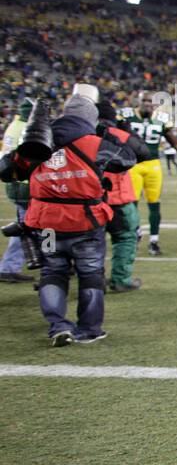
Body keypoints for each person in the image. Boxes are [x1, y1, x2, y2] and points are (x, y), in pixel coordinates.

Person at [0, 88, 136, 345]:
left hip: (47, 223)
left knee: (53, 272)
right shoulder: (93, 143)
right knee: (90, 274)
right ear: (90, 120)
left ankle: (58, 325)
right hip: (85, 222)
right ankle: (89, 329)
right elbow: (127, 159)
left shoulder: (38, 143)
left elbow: (6, 170)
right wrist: (107, 133)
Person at [96, 98, 152, 292]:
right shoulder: (118, 133)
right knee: (126, 237)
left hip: (89, 196)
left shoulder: (81, 134)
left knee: (93, 241)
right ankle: (120, 278)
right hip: (117, 196)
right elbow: (143, 152)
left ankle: (94, 279)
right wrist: (127, 131)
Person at [126, 98, 177, 256]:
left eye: (150, 104)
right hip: (133, 165)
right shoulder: (127, 117)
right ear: (138, 104)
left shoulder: (161, 119)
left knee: (154, 204)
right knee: (131, 204)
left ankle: (154, 241)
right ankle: (134, 234)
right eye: (144, 103)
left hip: (153, 165)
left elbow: (175, 142)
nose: (147, 106)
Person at [0, 99, 34, 284]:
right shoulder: (28, 129)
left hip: (14, 183)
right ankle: (9, 267)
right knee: (32, 226)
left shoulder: (14, 125)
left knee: (27, 224)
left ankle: (10, 265)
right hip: (26, 185)